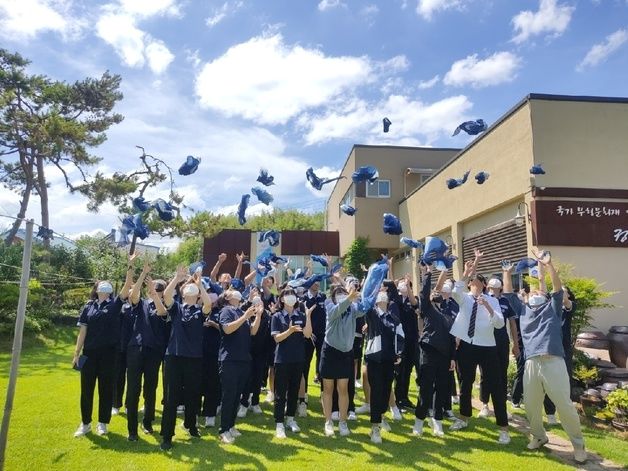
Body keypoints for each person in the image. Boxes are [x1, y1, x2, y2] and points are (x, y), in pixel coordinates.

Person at [501, 250, 586, 464]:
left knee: (564, 405)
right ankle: (539, 436)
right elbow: (509, 293)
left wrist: (548, 265)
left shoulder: (553, 308)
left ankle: (578, 444)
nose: (536, 293)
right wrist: (506, 272)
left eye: (540, 291)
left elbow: (557, 289)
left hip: (553, 360)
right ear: (527, 298)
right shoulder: (523, 310)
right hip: (531, 362)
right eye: (532, 292)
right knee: (530, 405)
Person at [449, 252, 510, 444]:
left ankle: (503, 428)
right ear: (469, 285)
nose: (475, 284)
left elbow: (500, 324)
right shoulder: (464, 299)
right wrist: (466, 272)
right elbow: (455, 290)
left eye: (478, 281)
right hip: (467, 346)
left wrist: (489, 308)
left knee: (496, 385)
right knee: (465, 383)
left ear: (484, 285)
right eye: (472, 282)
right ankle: (464, 417)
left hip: (488, 347)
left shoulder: (493, 300)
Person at [73, 256, 135, 437]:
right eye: (102, 285)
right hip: (89, 354)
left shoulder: (115, 304)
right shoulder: (88, 306)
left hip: (109, 354)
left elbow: (126, 286)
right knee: (86, 390)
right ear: (97, 288)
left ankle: (102, 423)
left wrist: (130, 265)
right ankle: (85, 423)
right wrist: (77, 353)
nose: (105, 287)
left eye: (108, 286)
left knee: (106, 389)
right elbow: (82, 331)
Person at [159, 267, 213, 451]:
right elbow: (166, 296)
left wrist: (200, 286)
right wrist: (177, 278)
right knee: (171, 398)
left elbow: (208, 305)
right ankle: (167, 436)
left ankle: (191, 425)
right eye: (187, 287)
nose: (190, 289)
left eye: (194, 290)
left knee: (193, 394)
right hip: (173, 357)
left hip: (194, 358)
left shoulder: (199, 311)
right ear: (182, 293)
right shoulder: (176, 308)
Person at [125, 260, 169, 441]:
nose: (155, 291)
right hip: (135, 349)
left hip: (154, 352)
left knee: (150, 389)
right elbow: (132, 295)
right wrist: (143, 274)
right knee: (133, 388)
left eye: (159, 289)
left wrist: (156, 295)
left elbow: (161, 312)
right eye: (153, 289)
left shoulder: (165, 306)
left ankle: (148, 422)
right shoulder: (140, 303)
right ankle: (132, 429)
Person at [413, 265, 456, 438]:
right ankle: (419, 422)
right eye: (434, 296)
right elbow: (423, 294)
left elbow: (453, 339)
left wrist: (453, 357)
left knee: (442, 389)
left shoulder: (448, 317)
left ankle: (437, 422)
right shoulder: (428, 310)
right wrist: (428, 274)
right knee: (425, 389)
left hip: (445, 357)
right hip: (429, 353)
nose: (436, 296)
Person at [218, 288, 263, 444]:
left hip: (243, 359)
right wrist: (245, 316)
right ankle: (223, 430)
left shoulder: (239, 312)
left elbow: (252, 331)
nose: (235, 292)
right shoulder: (226, 311)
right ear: (227, 298)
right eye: (231, 291)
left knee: (237, 396)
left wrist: (258, 315)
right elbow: (227, 329)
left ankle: (231, 426)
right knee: (229, 395)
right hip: (229, 360)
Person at [320, 281, 365, 437]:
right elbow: (335, 313)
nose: (341, 295)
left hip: (346, 353)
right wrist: (348, 299)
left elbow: (364, 308)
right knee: (328, 388)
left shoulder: (352, 307)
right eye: (338, 293)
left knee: (343, 388)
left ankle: (343, 422)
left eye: (343, 292)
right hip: (330, 350)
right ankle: (328, 422)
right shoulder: (329, 304)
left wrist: (364, 292)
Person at [271, 287, 314, 438]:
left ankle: (290, 419)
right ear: (282, 299)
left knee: (294, 391)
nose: (290, 297)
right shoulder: (277, 316)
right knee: (280, 392)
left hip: (298, 358)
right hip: (282, 359)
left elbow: (308, 334)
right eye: (287, 295)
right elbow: (276, 338)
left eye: (292, 295)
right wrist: (289, 331)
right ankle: (279, 423)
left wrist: (308, 316)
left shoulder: (301, 315)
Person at [364, 289, 403, 443]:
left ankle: (380, 417)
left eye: (384, 293)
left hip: (389, 361)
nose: (382, 295)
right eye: (379, 294)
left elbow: (400, 337)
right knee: (376, 391)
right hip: (374, 360)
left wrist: (398, 353)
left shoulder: (394, 318)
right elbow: (366, 301)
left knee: (386, 391)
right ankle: (375, 427)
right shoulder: (373, 315)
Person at [477, 277, 519, 418]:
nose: (492, 291)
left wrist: (516, 344)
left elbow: (512, 323)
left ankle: (501, 407)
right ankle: (484, 405)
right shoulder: (482, 299)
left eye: (495, 288)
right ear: (487, 287)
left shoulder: (505, 302)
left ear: (500, 289)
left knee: (502, 374)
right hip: (485, 341)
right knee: (485, 373)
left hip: (502, 342)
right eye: (490, 288)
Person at [299, 279, 326, 416]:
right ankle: (303, 396)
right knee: (304, 365)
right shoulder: (302, 299)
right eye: (314, 282)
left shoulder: (323, 297)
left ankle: (323, 394)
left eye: (318, 282)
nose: (317, 284)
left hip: (322, 336)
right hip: (306, 336)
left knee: (322, 365)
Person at [393, 278, 419, 411]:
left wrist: (409, 287)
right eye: (402, 284)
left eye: (407, 284)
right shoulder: (395, 300)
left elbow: (415, 305)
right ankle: (397, 399)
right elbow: (391, 285)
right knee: (399, 371)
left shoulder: (413, 299)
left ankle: (404, 398)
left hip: (412, 340)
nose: (404, 286)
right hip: (399, 341)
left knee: (407, 371)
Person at [200, 281, 222, 427]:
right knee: (197, 384)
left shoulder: (222, 312)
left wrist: (215, 325)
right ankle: (194, 415)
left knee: (212, 385)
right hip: (198, 353)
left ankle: (210, 415)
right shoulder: (198, 310)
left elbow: (227, 330)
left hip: (214, 354)